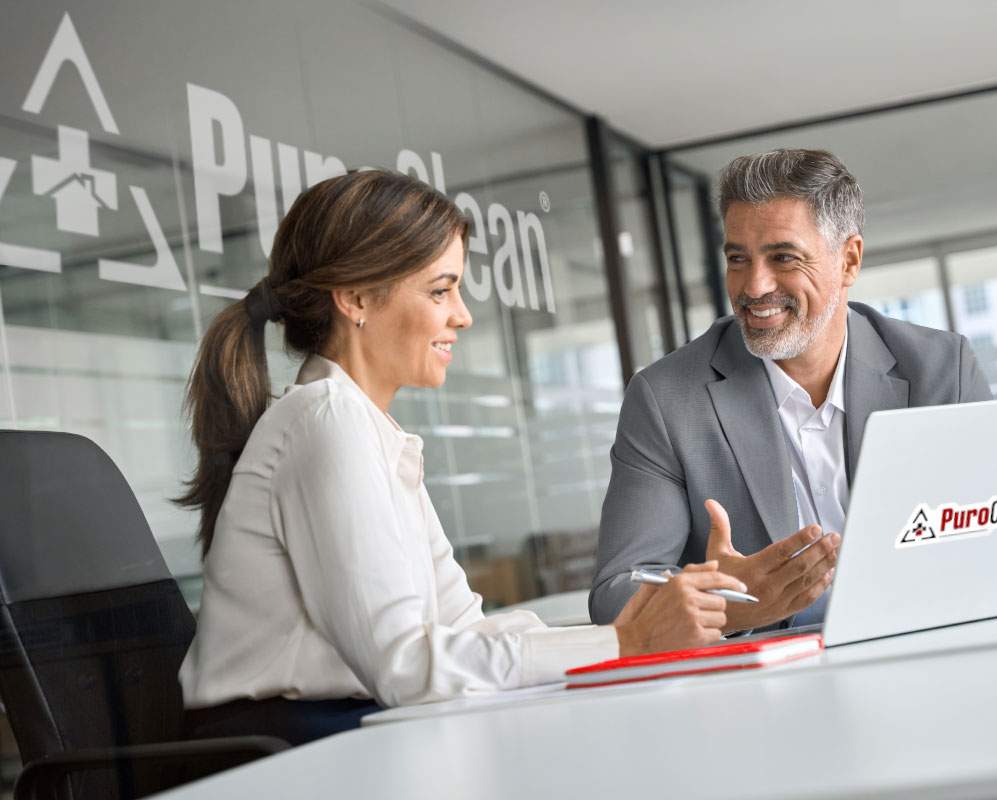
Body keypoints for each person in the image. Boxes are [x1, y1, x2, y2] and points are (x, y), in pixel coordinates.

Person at [177, 170, 744, 744]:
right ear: (354, 299)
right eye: (440, 290)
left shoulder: (366, 429)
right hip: (287, 753)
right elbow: (407, 666)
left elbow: (460, 628)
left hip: (344, 727)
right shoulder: (327, 422)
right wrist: (627, 642)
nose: (463, 315)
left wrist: (641, 623)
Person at [590, 148, 992, 633]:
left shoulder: (942, 370)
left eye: (783, 257)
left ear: (849, 260)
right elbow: (615, 594)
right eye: (738, 258)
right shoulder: (667, 400)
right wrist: (729, 603)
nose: (754, 286)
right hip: (770, 687)